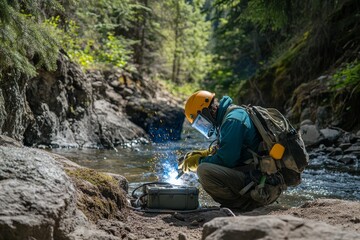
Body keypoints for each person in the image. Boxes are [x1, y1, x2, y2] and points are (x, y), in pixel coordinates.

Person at [178, 90, 284, 210]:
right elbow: (227, 148)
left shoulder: (232, 120)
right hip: (255, 179)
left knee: (204, 171)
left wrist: (198, 162)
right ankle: (245, 202)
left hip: (262, 187)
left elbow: (227, 160)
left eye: (201, 122)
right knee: (206, 166)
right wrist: (202, 154)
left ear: (207, 111)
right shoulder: (229, 117)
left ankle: (244, 205)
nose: (203, 127)